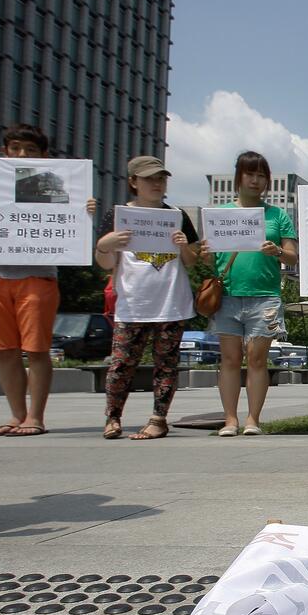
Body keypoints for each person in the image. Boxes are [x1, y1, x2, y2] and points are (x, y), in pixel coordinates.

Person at [0, 124, 96, 437]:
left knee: (36, 349)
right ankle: (16, 415)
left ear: (43, 155)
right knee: (4, 349)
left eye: (30, 150)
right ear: (6, 152)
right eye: (16, 148)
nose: (22, 154)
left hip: (38, 276)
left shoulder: (55, 184)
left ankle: (35, 416)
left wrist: (84, 211)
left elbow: (71, 228)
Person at [94, 156, 200, 440]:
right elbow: (105, 263)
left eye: (161, 178)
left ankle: (158, 418)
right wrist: (105, 245)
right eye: (149, 179)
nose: (156, 184)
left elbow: (192, 261)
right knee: (121, 363)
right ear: (133, 182)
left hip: (171, 302)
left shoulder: (177, 215)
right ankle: (113, 417)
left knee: (166, 363)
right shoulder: (117, 216)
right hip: (132, 303)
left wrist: (183, 246)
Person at [200, 151, 298, 437]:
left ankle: (253, 419)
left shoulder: (277, 215)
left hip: (265, 296)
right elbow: (210, 261)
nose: (256, 181)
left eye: (261, 175)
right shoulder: (220, 215)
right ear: (238, 178)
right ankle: (230, 419)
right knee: (229, 359)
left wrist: (278, 250)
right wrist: (204, 253)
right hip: (228, 295)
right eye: (250, 174)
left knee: (257, 359)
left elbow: (293, 256)